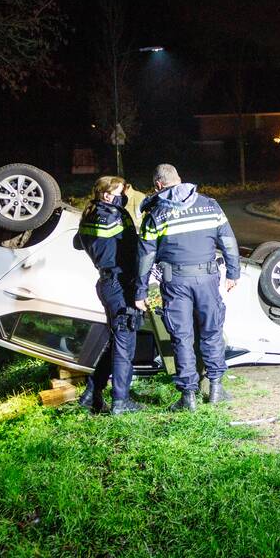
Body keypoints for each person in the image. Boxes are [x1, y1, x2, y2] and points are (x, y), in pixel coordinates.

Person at [134, 164, 241, 412]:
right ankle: (215, 388)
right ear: (179, 179)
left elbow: (145, 258)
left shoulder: (155, 215)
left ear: (158, 185)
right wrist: (233, 273)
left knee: (182, 337)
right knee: (212, 331)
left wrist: (140, 292)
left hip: (175, 283)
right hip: (207, 279)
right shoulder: (209, 204)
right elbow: (228, 240)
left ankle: (188, 397)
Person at [76, 176, 143, 415]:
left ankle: (90, 393)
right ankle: (121, 401)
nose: (123, 196)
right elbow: (136, 247)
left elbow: (77, 243)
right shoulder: (117, 216)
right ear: (106, 195)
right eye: (120, 191)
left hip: (105, 283)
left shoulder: (88, 215)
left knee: (116, 340)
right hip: (120, 284)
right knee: (125, 342)